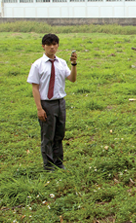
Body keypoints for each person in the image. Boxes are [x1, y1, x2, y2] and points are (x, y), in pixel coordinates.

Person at [27, 34, 77, 171]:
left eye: (55, 44)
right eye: (49, 44)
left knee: (59, 134)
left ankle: (58, 162)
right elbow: (35, 88)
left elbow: (72, 79)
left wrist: (74, 65)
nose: (52, 47)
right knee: (47, 136)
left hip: (60, 103)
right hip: (46, 104)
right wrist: (39, 108)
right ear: (43, 46)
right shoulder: (37, 65)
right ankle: (48, 166)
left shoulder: (62, 63)